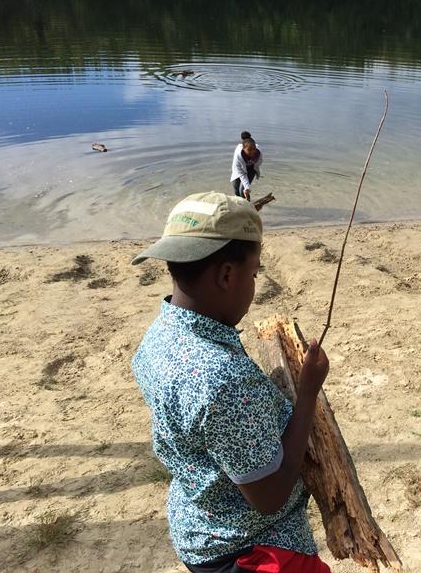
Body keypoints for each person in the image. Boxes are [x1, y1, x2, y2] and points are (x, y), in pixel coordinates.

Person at [131, 191, 331, 573]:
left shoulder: (158, 335)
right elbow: (270, 497)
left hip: (197, 525)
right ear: (226, 275)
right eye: (254, 273)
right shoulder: (225, 380)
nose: (254, 283)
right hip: (246, 551)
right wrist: (307, 393)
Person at [231, 131, 263, 201]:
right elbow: (241, 173)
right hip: (239, 170)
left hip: (251, 169)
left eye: (254, 149)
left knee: (243, 190)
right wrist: (247, 186)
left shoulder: (258, 153)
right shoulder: (238, 155)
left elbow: (259, 162)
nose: (252, 152)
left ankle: (248, 206)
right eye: (249, 150)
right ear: (243, 149)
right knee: (236, 190)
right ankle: (239, 205)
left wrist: (247, 188)